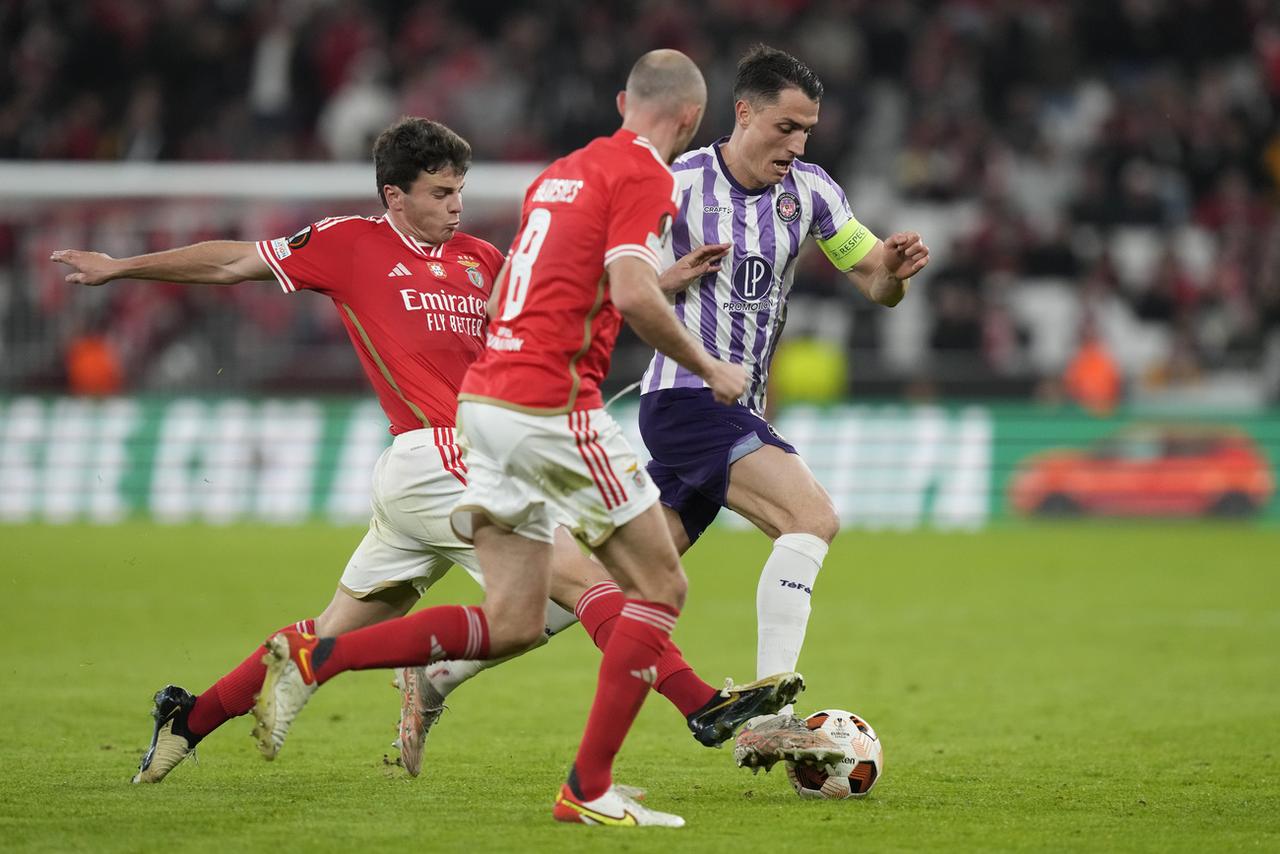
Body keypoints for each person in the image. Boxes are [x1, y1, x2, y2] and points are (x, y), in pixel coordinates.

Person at [51, 116, 797, 787]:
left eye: (460, 191)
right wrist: (121, 267)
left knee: (329, 634)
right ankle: (701, 705)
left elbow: (555, 306)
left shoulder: (480, 259)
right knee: (585, 577)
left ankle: (187, 721)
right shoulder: (349, 244)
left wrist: (652, 282)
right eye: (440, 193)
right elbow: (231, 263)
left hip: (456, 466)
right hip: (433, 457)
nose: (455, 206)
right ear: (394, 195)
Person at [249, 50, 750, 828]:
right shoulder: (650, 175)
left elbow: (549, 282)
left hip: (482, 407)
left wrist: (662, 278)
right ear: (689, 120)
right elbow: (623, 288)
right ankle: (594, 783)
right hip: (551, 408)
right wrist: (708, 365)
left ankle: (328, 655)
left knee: (516, 618)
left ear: (623, 99)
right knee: (654, 585)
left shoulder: (560, 174)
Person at [634, 44, 930, 769]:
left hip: (738, 409)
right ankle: (776, 713)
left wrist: (891, 274)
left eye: (808, 131)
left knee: (627, 576)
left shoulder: (815, 193)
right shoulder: (673, 184)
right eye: (786, 128)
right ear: (745, 112)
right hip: (685, 397)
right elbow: (624, 286)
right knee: (812, 517)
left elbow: (872, 280)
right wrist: (671, 276)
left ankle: (446, 665)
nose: (797, 145)